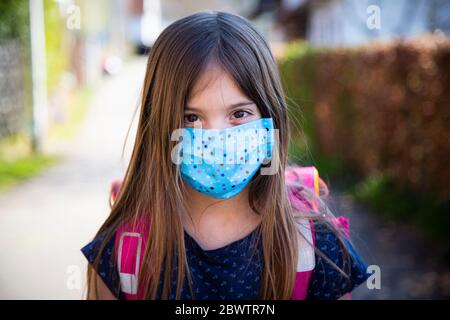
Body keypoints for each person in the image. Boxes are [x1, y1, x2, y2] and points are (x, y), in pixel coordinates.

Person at [81, 11, 369, 300]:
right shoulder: (121, 253)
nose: (216, 137)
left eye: (239, 114)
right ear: (157, 125)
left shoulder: (316, 242)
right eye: (190, 117)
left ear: (271, 118)